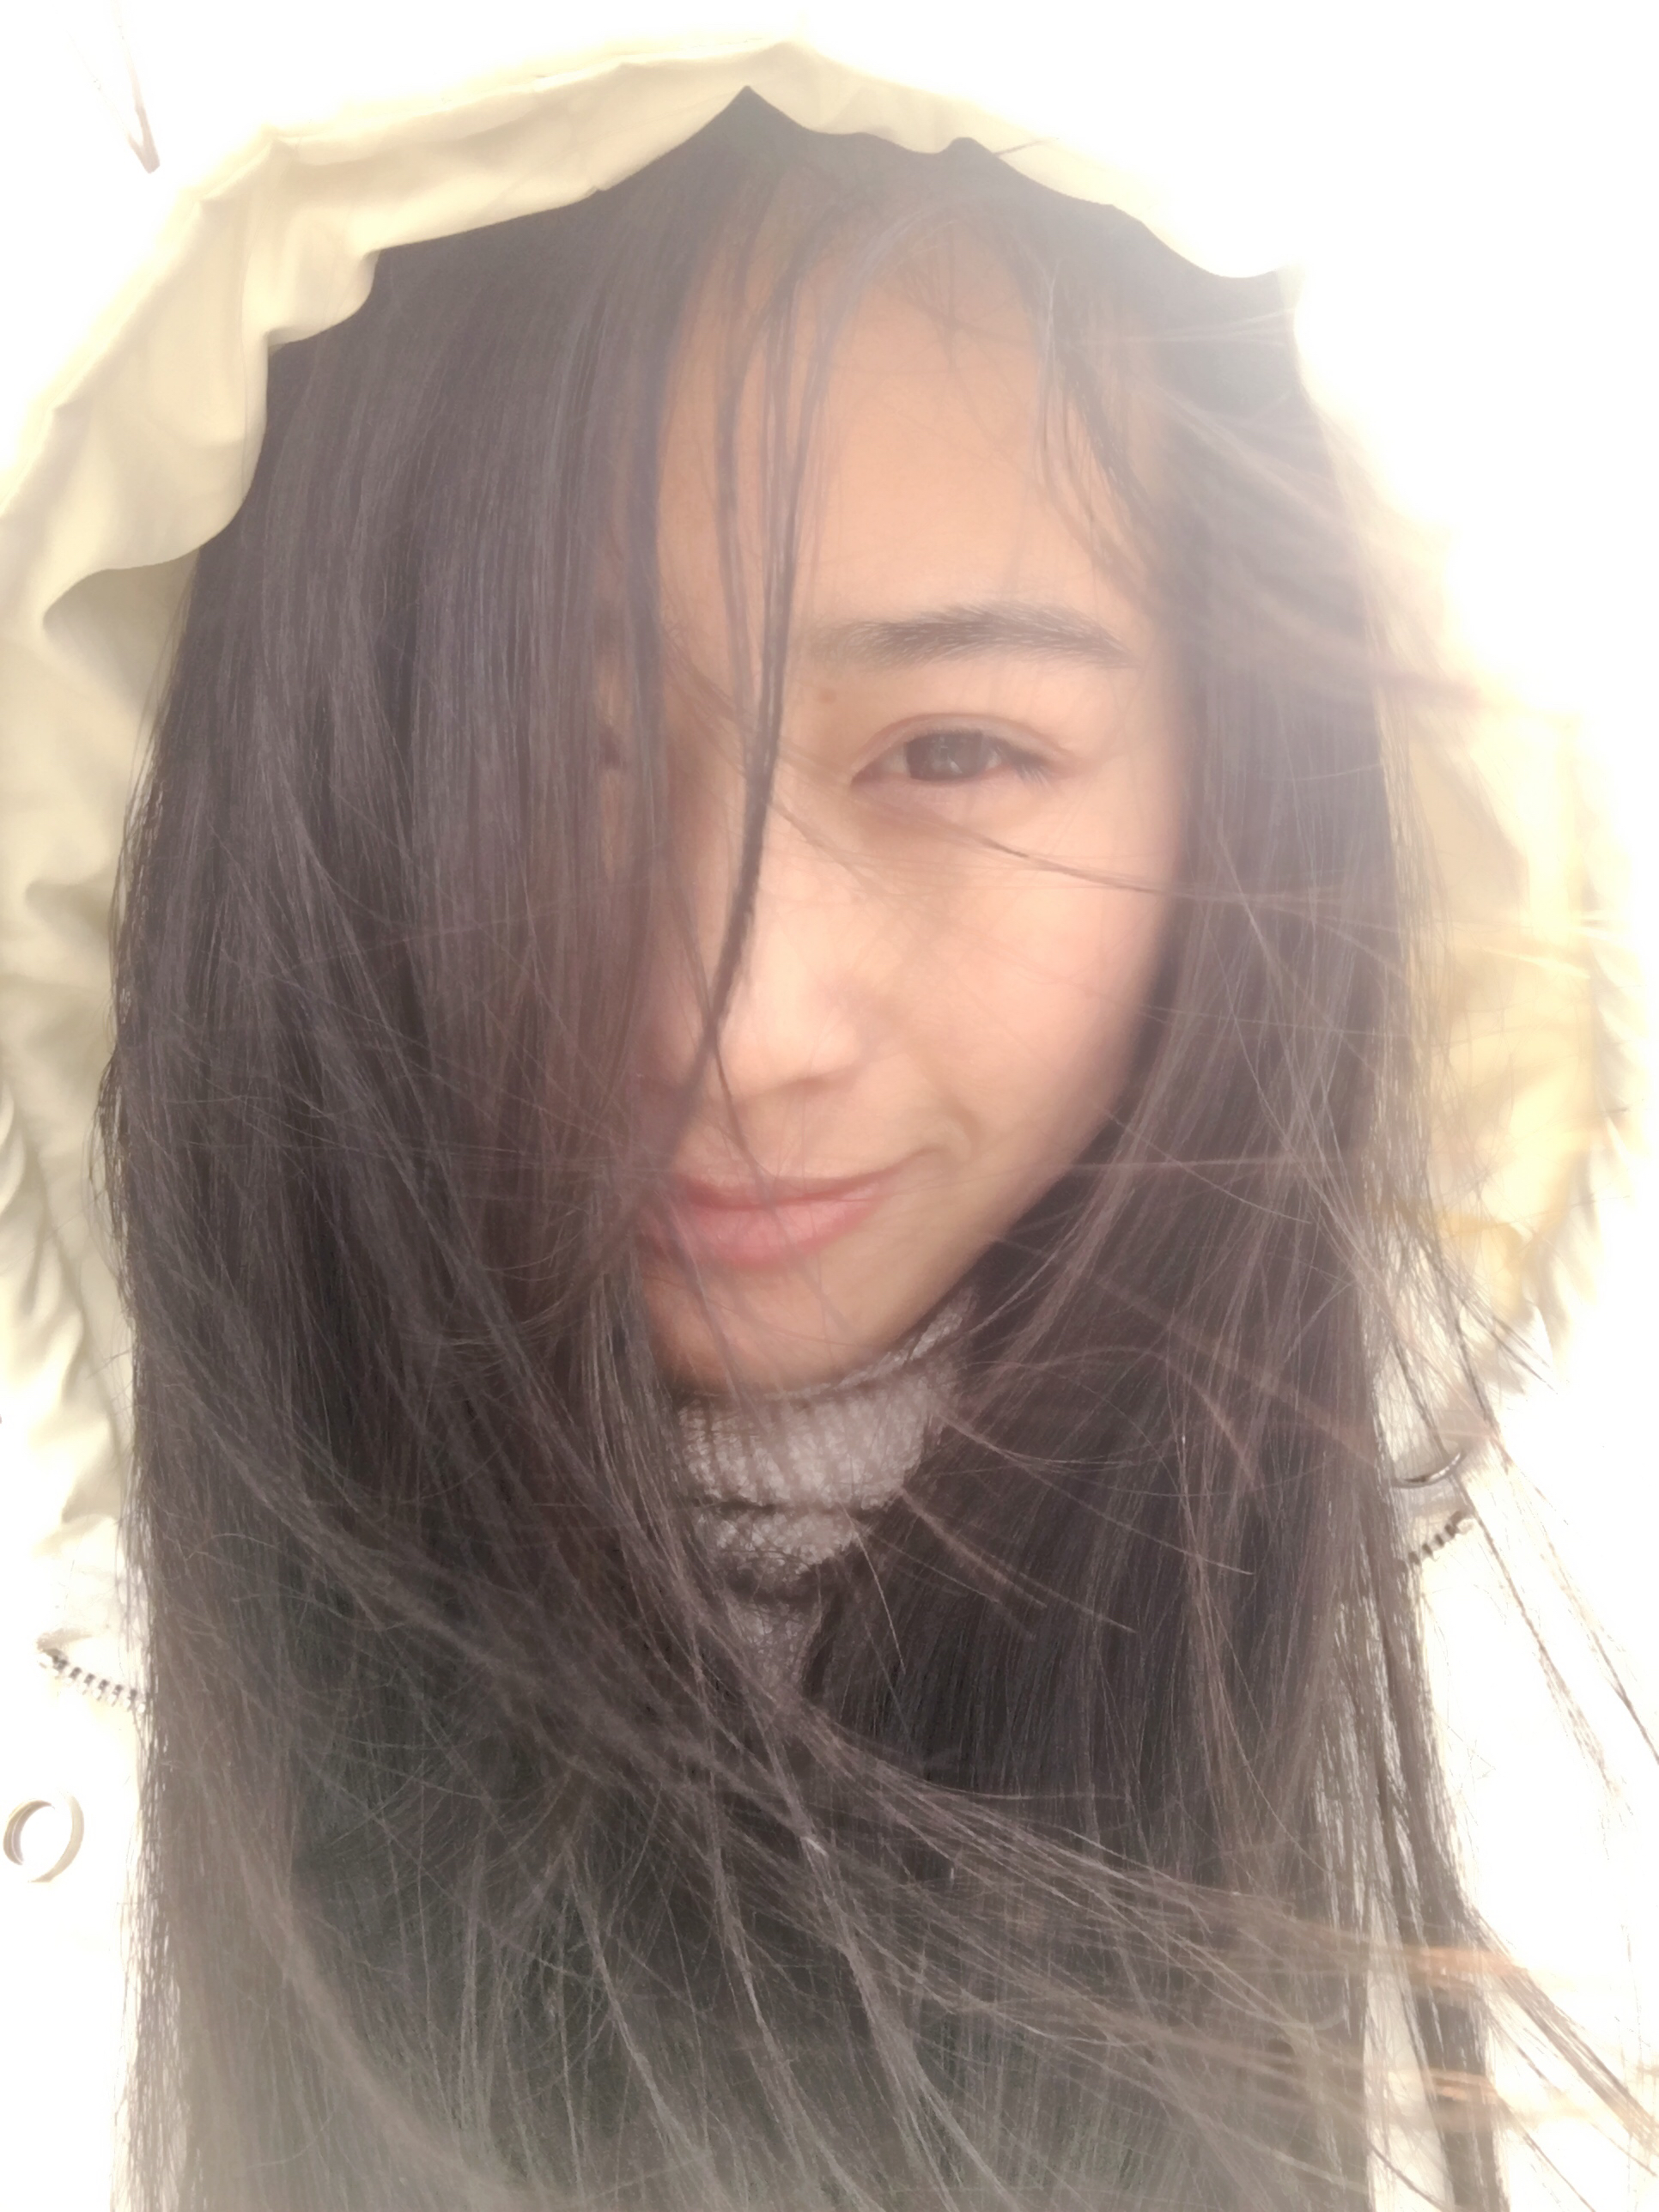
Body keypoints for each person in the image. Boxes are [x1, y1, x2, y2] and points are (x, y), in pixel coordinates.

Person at [0, 33, 1635, 2212]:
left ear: (1261, 776)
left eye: (956, 751)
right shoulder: (76, 1777)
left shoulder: (1575, 1790)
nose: (738, 1030)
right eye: (531, 763)